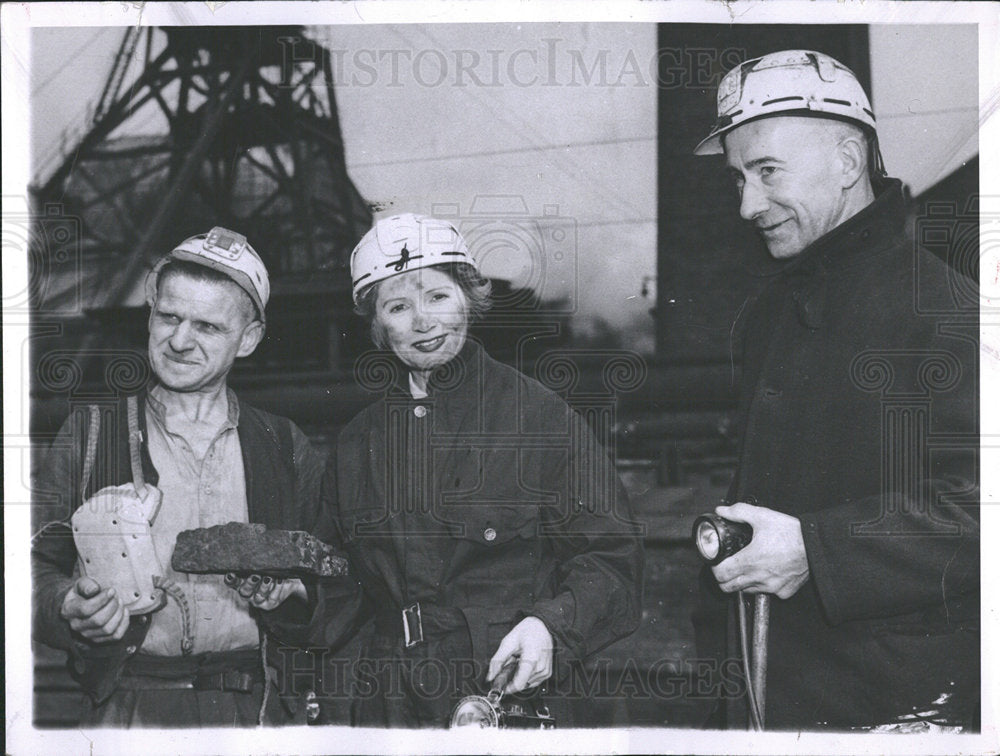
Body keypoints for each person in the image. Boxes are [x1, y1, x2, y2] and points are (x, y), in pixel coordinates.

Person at [691, 50, 979, 731]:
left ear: (849, 163)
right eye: (738, 179)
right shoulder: (770, 315)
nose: (747, 205)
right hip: (770, 691)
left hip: (893, 707)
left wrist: (817, 551)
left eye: (766, 172)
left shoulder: (948, 311)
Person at [281, 213, 643, 727]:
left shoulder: (537, 417)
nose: (422, 322)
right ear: (379, 326)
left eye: (437, 297)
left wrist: (550, 628)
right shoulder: (357, 443)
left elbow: (612, 559)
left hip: (505, 690)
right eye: (398, 307)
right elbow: (343, 589)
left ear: (468, 300)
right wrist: (293, 597)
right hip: (388, 701)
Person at [31, 227, 327, 727]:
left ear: (248, 338)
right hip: (127, 709)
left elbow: (335, 583)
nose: (180, 340)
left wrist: (293, 595)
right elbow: (27, 568)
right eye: (169, 316)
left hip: (254, 713)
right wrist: (66, 608)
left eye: (208, 327)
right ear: (150, 317)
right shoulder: (91, 435)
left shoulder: (283, 445)